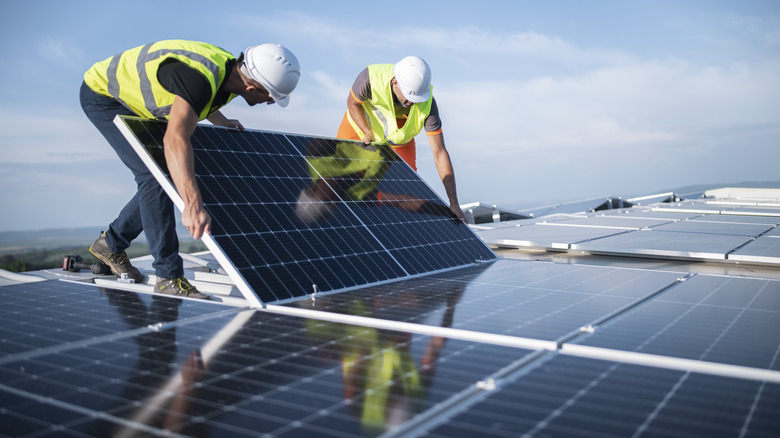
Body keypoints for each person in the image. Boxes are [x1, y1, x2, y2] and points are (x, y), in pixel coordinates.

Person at [80, 39, 300, 300]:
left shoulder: (233, 72)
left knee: (173, 174)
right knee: (155, 176)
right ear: (252, 87)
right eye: (270, 96)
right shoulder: (200, 78)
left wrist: (221, 120)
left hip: (137, 103)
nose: (271, 102)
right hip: (105, 96)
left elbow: (199, 98)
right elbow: (175, 137)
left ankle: (110, 245)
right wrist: (192, 205)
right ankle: (168, 277)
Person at [336, 56, 466, 222]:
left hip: (399, 140)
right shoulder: (370, 77)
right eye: (408, 97)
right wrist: (366, 132)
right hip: (359, 130)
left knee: (407, 189)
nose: (412, 103)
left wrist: (453, 202)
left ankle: (391, 229)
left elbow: (439, 153)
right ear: (395, 82)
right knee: (340, 181)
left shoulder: (428, 105)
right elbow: (352, 103)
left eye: (416, 99)